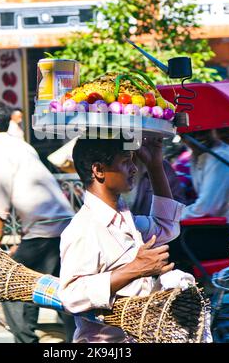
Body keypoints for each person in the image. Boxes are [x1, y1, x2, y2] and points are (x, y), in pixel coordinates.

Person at [58, 136, 186, 343]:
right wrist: (136, 268)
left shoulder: (126, 218)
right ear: (99, 170)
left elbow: (167, 226)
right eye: (126, 161)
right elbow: (71, 295)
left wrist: (155, 166)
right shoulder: (83, 228)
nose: (134, 169)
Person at [0, 95, 75, 343]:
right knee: (59, 291)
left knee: (9, 288)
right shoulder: (19, 144)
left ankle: (27, 341)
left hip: (45, 231)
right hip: (59, 227)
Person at [180, 129, 229, 223]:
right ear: (183, 137)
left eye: (203, 131)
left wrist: (174, 217)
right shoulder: (196, 156)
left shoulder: (221, 154)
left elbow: (206, 208)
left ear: (213, 131)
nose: (199, 137)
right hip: (218, 227)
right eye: (193, 133)